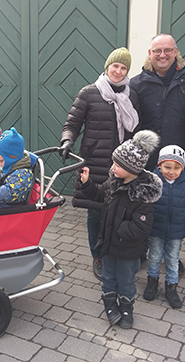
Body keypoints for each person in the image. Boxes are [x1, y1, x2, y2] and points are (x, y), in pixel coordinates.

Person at [60, 47, 140, 280]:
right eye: (115, 65)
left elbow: (138, 127)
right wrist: (67, 141)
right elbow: (72, 123)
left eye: (123, 67)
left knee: (118, 210)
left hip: (123, 164)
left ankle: (113, 253)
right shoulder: (89, 93)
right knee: (96, 211)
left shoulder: (131, 95)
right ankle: (98, 255)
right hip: (94, 162)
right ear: (107, 67)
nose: (118, 70)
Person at [75, 130, 162, 329]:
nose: (112, 167)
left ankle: (126, 308)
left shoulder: (141, 194)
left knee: (125, 280)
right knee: (108, 277)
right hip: (108, 245)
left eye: (117, 165)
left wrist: (119, 230)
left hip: (127, 250)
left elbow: (142, 225)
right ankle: (109, 304)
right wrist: (87, 184)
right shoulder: (113, 183)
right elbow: (98, 196)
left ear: (132, 168)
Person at [130, 34, 185, 174]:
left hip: (180, 162)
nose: (162, 55)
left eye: (168, 50)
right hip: (147, 162)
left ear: (175, 52)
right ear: (150, 53)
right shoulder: (136, 84)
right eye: (157, 51)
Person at [143, 145, 185, 309]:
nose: (171, 171)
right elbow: (143, 205)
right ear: (159, 165)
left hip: (176, 233)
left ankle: (171, 287)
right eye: (167, 167)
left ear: (182, 168)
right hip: (155, 230)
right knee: (154, 257)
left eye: (177, 168)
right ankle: (152, 282)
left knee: (172, 260)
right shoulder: (152, 183)